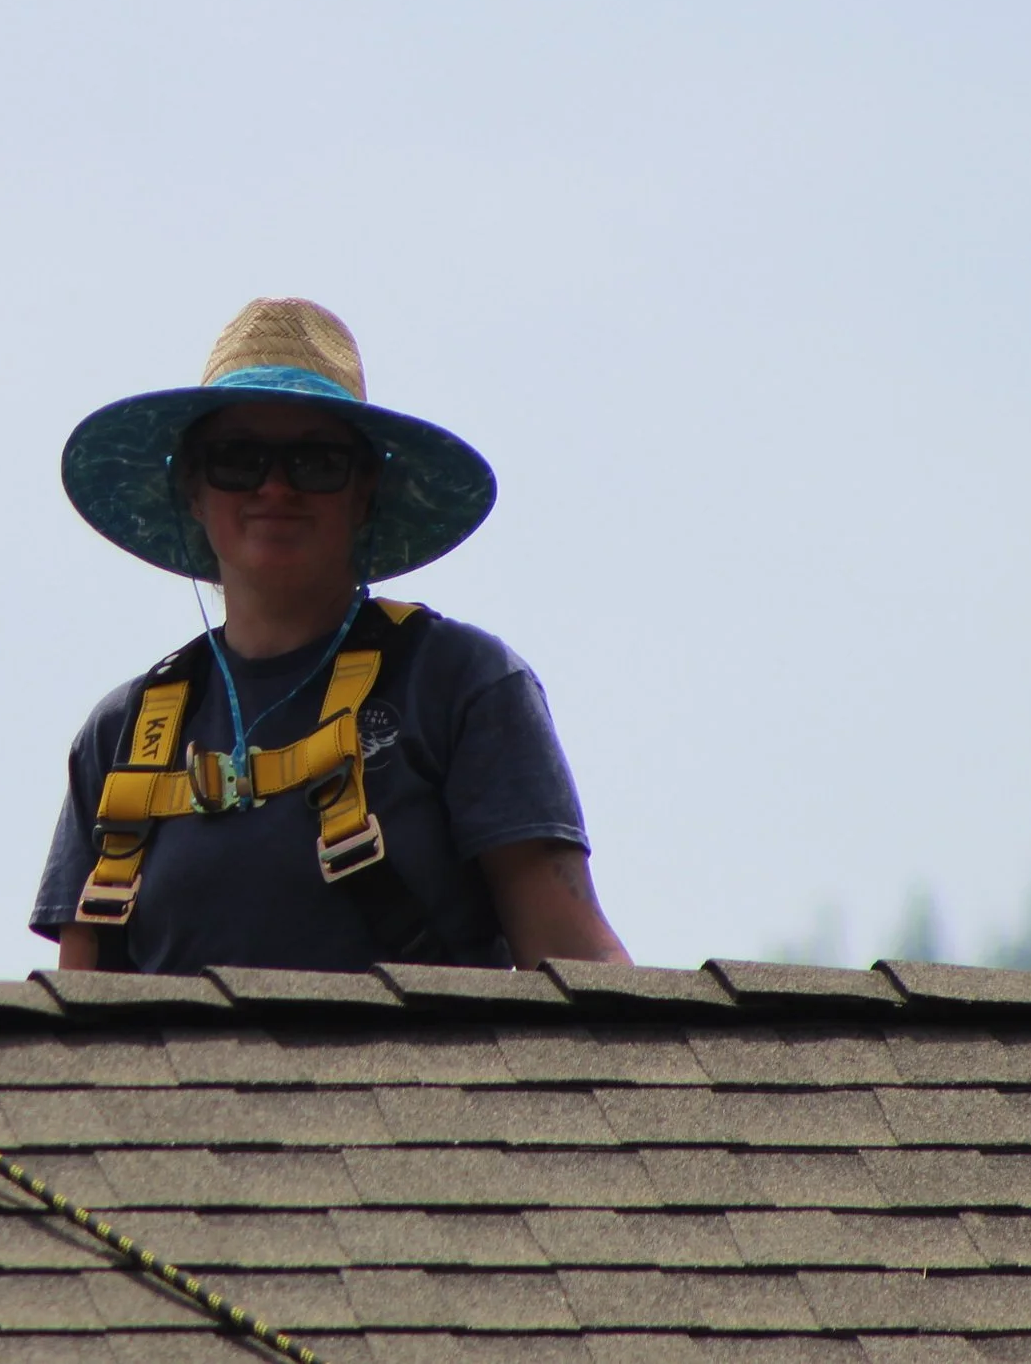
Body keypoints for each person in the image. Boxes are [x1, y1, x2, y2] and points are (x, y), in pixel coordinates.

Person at [30, 298, 626, 975]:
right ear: (192, 490)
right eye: (237, 458)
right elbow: (74, 1023)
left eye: (315, 461)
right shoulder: (123, 735)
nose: (276, 487)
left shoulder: (458, 681)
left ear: (364, 490)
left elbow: (577, 966)